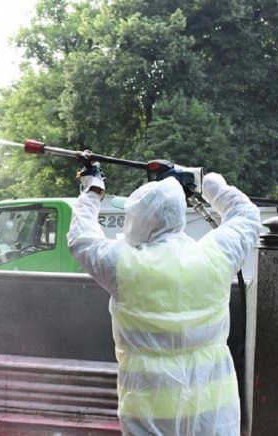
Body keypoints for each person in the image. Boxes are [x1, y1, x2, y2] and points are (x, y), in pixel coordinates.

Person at [67, 165, 260, 435]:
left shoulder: (122, 265)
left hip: (149, 417)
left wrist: (93, 191)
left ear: (138, 220)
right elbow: (247, 215)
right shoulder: (216, 256)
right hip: (214, 418)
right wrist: (202, 181)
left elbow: (81, 238)